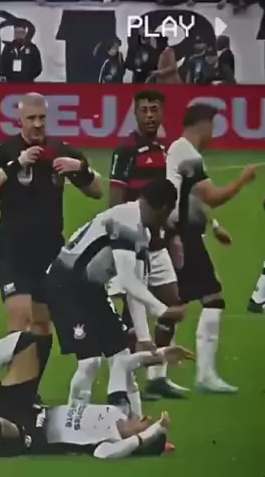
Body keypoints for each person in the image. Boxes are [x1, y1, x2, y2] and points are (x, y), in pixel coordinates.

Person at [0, 328, 193, 458]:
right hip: (29, 407)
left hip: (27, 434)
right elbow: (123, 365)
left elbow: (106, 456)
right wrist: (161, 356)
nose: (143, 418)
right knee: (33, 341)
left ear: (138, 440)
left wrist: (150, 435)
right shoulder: (119, 409)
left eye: (145, 425)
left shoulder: (108, 442)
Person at [0, 92, 103, 345]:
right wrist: (15, 165)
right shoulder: (3, 151)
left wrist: (80, 169)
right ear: (19, 120)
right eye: (31, 118)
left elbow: (97, 190)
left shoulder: (60, 150)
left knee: (43, 323)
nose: (38, 124)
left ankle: (32, 372)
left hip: (49, 249)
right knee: (20, 319)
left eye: (42, 117)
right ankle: (16, 371)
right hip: (13, 248)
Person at [47, 179, 186, 414]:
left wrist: (143, 336)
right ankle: (74, 422)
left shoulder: (141, 232)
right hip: (64, 286)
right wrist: (162, 310)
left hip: (91, 288)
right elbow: (128, 280)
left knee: (122, 357)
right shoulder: (126, 221)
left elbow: (136, 285)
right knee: (90, 362)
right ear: (164, 208)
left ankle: (134, 422)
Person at [167, 103, 256, 393]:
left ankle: (159, 373)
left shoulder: (179, 151)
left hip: (179, 234)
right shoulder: (188, 154)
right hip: (183, 236)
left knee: (176, 302)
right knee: (212, 298)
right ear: (202, 124)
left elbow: (188, 197)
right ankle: (204, 375)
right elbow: (213, 197)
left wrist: (214, 226)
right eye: (212, 126)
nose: (214, 133)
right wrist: (243, 179)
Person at [107, 90, 186, 400]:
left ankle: (157, 376)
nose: (150, 115)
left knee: (173, 305)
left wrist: (173, 235)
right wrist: (126, 239)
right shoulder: (127, 150)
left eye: (154, 109)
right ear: (135, 114)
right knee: (131, 318)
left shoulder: (164, 150)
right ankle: (127, 382)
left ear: (163, 113)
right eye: (144, 110)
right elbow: (115, 202)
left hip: (159, 244)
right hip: (134, 247)